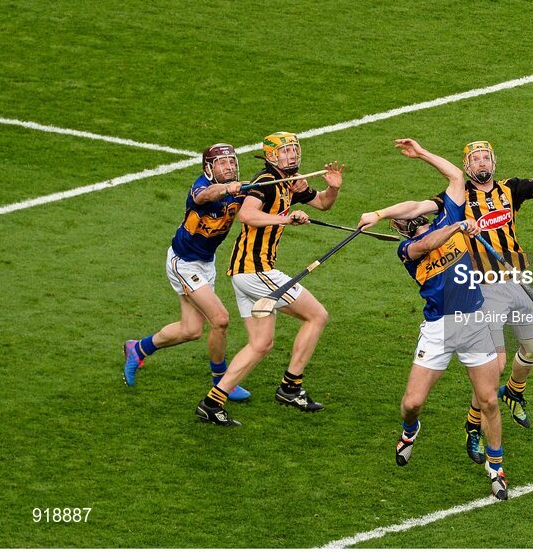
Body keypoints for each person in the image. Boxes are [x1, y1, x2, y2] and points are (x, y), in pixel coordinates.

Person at [359, 119, 533, 462]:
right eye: (475, 159)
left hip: (514, 281)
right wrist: (379, 212)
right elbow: (415, 207)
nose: (481, 163)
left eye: (486, 157)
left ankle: (515, 393)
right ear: (466, 166)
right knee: (497, 364)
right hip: (482, 290)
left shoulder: (510, 190)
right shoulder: (454, 203)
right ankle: (474, 425)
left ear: (494, 162)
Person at [363, 138, 507, 500]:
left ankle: (496, 466)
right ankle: (410, 431)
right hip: (439, 328)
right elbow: (428, 246)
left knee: (488, 400)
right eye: (403, 222)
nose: (411, 223)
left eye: (411, 218)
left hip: (474, 320)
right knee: (411, 403)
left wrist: (422, 153)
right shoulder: (407, 250)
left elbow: (456, 176)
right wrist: (459, 229)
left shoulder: (451, 214)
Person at [195, 131, 344, 427]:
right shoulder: (266, 182)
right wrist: (286, 218)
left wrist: (333, 189)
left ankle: (212, 403)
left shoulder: (290, 181)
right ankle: (290, 387)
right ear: (272, 156)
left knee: (261, 343)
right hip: (256, 271)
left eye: (293, 150)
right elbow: (247, 215)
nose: (291, 155)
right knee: (317, 315)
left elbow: (323, 204)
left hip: (245, 273)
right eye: (285, 152)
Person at [123, 143, 250, 401]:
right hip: (183, 262)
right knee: (221, 319)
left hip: (205, 263)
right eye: (222, 163)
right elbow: (205, 197)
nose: (229, 167)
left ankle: (137, 349)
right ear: (209, 168)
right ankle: (223, 382)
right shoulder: (200, 187)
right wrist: (227, 188)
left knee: (191, 330)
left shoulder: (241, 190)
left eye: (232, 162)